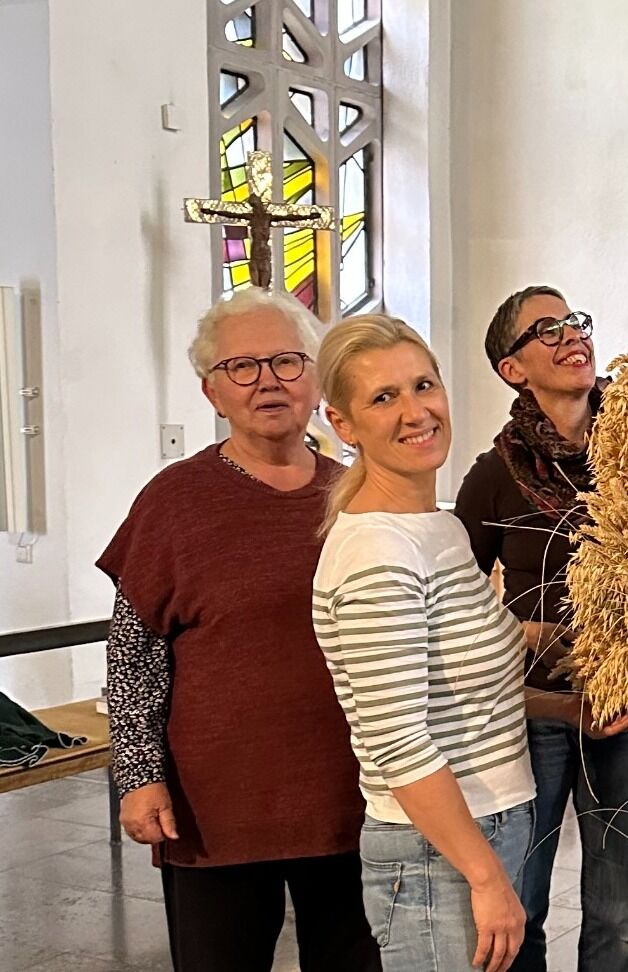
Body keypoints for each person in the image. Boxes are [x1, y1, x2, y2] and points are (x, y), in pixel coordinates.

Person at [96, 288, 379, 971]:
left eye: (287, 361)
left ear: (316, 380)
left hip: (355, 797)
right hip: (216, 806)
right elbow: (134, 656)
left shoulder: (362, 496)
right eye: (242, 368)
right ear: (212, 393)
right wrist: (139, 776)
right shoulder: (174, 500)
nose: (269, 382)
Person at [313, 315, 549, 972]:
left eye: (424, 385)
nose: (416, 411)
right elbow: (398, 742)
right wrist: (485, 878)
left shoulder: (435, 529)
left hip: (485, 825)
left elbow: (467, 679)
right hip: (436, 853)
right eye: (384, 397)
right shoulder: (377, 552)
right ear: (343, 423)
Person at [455, 285, 628, 972]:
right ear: (512, 368)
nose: (570, 334)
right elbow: (458, 606)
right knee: (521, 905)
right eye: (544, 329)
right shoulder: (493, 478)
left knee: (618, 916)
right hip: (533, 716)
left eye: (575, 320)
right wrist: (533, 635)